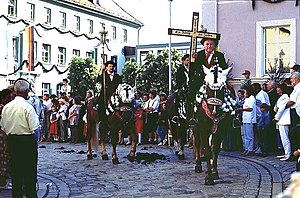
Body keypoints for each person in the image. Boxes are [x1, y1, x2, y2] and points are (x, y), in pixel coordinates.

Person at [0, 78, 40, 197]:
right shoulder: (27, 107)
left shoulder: (7, 107)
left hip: (13, 141)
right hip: (27, 141)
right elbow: (34, 128)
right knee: (29, 174)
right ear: (26, 91)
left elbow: (4, 128)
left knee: (16, 174)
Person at [189, 38, 228, 105]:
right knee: (191, 93)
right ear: (204, 45)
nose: (209, 46)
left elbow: (224, 68)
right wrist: (193, 61)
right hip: (200, 81)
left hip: (215, 82)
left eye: (211, 44)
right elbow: (193, 69)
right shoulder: (198, 55)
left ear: (214, 45)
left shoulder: (219, 55)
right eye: (207, 44)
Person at [96, 60, 122, 127]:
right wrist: (102, 69)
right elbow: (98, 79)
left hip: (115, 95)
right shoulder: (104, 75)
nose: (111, 68)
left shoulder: (117, 76)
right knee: (101, 104)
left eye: (112, 66)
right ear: (106, 67)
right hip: (105, 94)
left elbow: (120, 85)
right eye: (109, 66)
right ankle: (102, 121)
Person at [273, 83, 291, 161]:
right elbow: (275, 108)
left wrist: (276, 118)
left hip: (283, 119)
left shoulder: (284, 97)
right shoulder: (280, 97)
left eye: (278, 88)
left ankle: (288, 154)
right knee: (283, 138)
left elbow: (281, 109)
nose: (277, 90)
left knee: (285, 138)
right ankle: (286, 152)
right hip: (281, 120)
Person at [0, 88, 13, 189]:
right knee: (3, 158)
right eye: (8, 98)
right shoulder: (2, 108)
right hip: (2, 136)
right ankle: (2, 182)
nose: (10, 99)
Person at [252, 83, 271, 155]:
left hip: (263, 116)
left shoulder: (261, 94)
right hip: (260, 116)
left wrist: (261, 111)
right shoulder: (258, 94)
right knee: (260, 133)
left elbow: (264, 104)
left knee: (263, 133)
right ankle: (261, 149)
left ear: (257, 89)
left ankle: (264, 150)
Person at [238, 85, 256, 156]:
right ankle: (246, 148)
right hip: (245, 119)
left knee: (249, 135)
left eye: (245, 92)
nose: (244, 94)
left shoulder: (252, 98)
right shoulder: (246, 99)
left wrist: (242, 109)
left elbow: (250, 108)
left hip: (249, 119)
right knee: (245, 135)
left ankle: (250, 149)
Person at [286, 72, 300, 154]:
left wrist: (283, 106)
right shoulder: (296, 88)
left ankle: (296, 152)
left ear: (297, 79)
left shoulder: (298, 88)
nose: (291, 80)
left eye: (292, 78)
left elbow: (292, 102)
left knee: (294, 133)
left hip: (296, 112)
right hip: (295, 111)